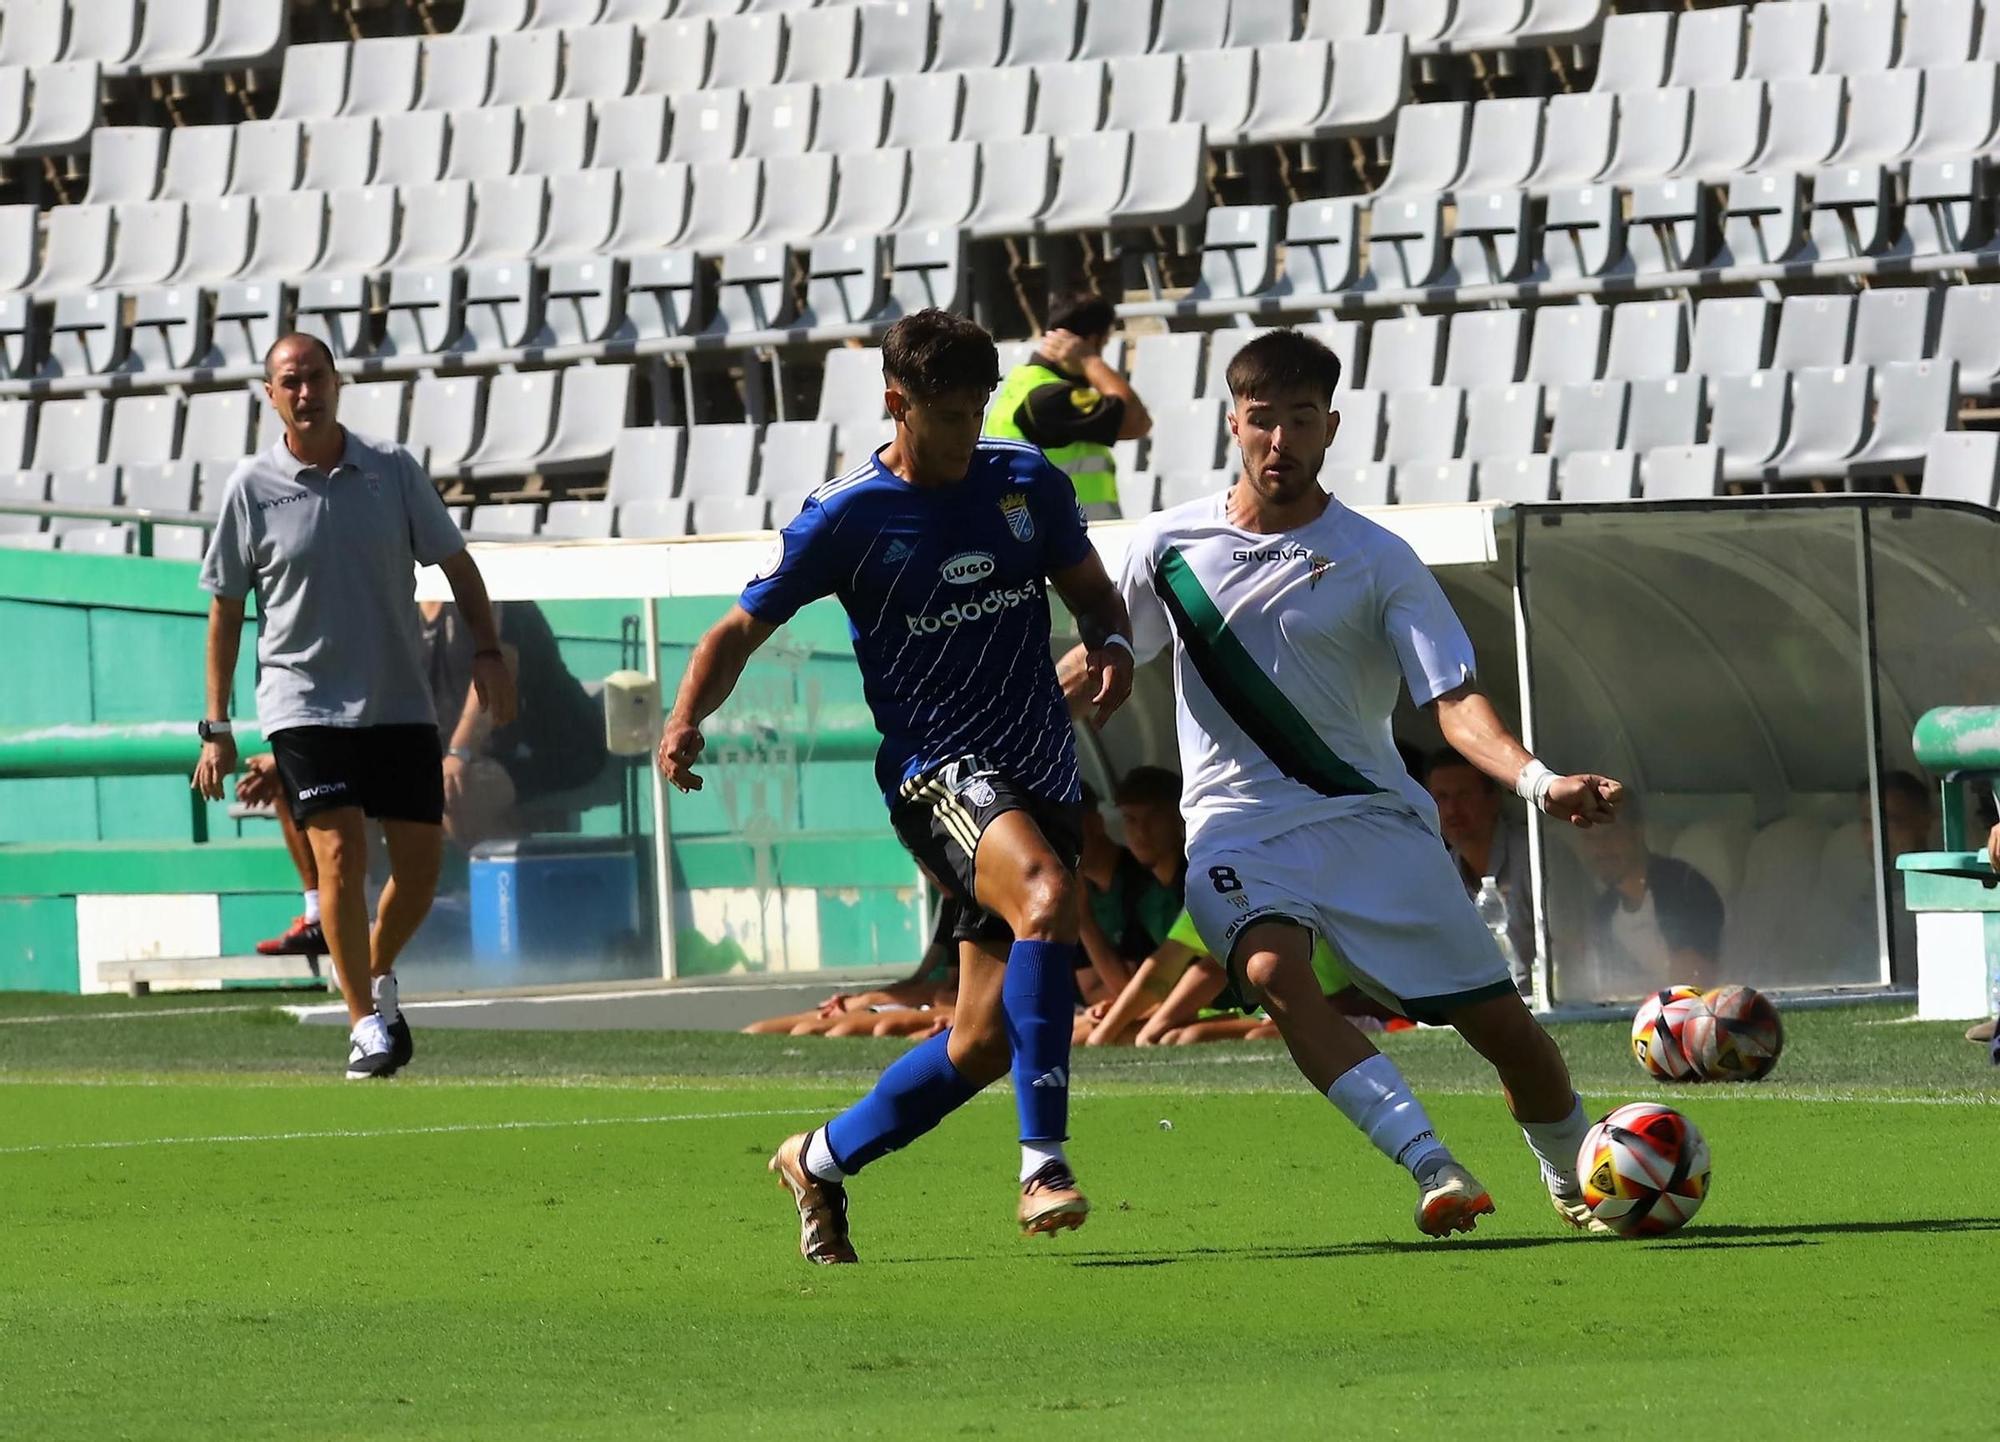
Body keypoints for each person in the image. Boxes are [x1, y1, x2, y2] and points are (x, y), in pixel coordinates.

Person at [1065, 328, 1627, 1239]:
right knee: (1270, 970)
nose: (1278, 442)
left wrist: (1539, 782)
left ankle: (1573, 1169)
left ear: (1330, 428)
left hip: (1371, 822)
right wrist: (1014, 722)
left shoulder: (1377, 557)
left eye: (1298, 422)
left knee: (1506, 1035)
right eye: (1260, 422)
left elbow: (1452, 700)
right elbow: (1101, 656)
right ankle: (1432, 1165)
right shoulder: (1166, 544)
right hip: (1237, 829)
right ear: (1231, 425)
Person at [658, 309, 1134, 1264]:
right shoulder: (847, 515)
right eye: (946, 415)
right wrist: (684, 720)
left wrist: (1112, 649)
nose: (966, 435)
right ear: (895, 403)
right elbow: (736, 631)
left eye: (977, 410)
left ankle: (818, 1160)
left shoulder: (1025, 483)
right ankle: (1044, 1165)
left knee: (980, 1044)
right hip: (938, 773)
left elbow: (1095, 599)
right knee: (1047, 898)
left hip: (1040, 768)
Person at [193, 334, 517, 1080]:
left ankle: (367, 970)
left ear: (338, 384)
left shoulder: (392, 469)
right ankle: (364, 1022)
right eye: (290, 382)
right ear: (269, 395)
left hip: (398, 701)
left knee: (422, 869)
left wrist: (488, 651)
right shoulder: (251, 487)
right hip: (301, 702)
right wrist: (217, 725)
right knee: (341, 855)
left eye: (316, 378)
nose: (305, 392)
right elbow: (226, 607)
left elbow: (457, 565)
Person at [419, 599, 608, 849]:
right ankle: (368, 886)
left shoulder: (500, 596)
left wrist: (458, 753)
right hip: (480, 753)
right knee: (356, 787)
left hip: (557, 747)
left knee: (453, 793)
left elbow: (498, 675)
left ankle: (515, 883)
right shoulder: (402, 600)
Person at [983, 290, 1151, 509]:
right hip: (1067, 534)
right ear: (1092, 340)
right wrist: (1089, 359)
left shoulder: (1022, 383)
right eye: (1103, 344)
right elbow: (1138, 421)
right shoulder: (1052, 397)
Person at [744, 898, 961, 1038]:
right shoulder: (953, 903)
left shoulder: (976, 904)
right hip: (923, 1002)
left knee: (826, 1031)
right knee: (757, 1032)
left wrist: (867, 1002)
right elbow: (921, 979)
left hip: (943, 1007)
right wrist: (863, 999)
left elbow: (949, 993)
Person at [1577, 793, 1724, 994]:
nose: (1600, 849)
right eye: (1589, 838)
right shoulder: (1604, 911)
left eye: (1610, 835)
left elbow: (1695, 980)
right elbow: (1603, 989)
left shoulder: (1683, 886)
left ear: (1637, 833)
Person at [1426, 749, 1534, 991]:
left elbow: (1573, 948)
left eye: (1464, 796)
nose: (1452, 810)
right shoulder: (1439, 872)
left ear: (1493, 799)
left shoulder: (1533, 857)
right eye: (1441, 798)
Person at [1077, 768, 1186, 999]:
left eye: (1153, 818)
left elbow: (1131, 989)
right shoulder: (1146, 895)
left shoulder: (1197, 881)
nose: (1140, 832)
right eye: (1130, 819)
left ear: (1179, 818)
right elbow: (1123, 988)